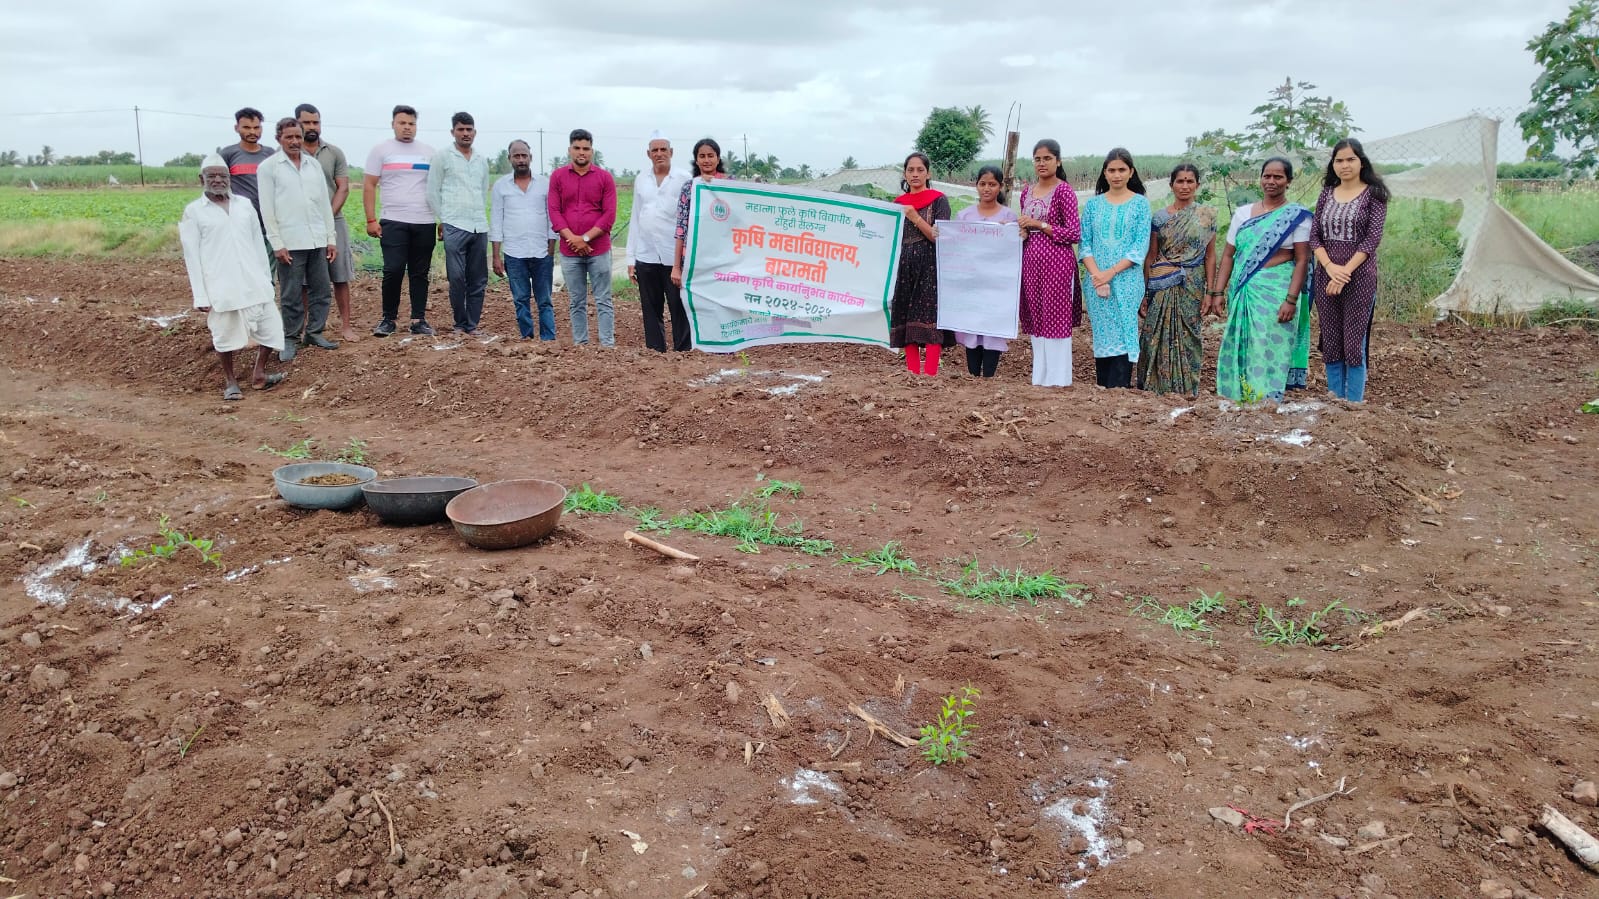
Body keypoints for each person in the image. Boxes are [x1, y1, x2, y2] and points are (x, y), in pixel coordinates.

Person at [179, 155, 287, 400]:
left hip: (253, 280)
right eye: (212, 176)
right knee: (224, 335)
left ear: (230, 179)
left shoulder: (244, 205)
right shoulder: (194, 212)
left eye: (223, 176)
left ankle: (259, 374)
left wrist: (266, 278)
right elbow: (191, 256)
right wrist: (200, 295)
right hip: (221, 285)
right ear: (202, 179)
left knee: (271, 329)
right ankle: (231, 382)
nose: (218, 180)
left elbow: (258, 244)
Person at [1209, 158, 1312, 402]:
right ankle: (1239, 398)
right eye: (1267, 176)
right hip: (1244, 290)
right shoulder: (1243, 214)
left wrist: (1291, 300)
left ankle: (1267, 402)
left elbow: (1302, 260)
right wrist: (1218, 292)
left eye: (1278, 177)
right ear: (1260, 178)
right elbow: (1228, 255)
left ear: (1288, 181)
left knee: (1269, 347)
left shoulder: (1297, 217)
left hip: (1278, 292)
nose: (1271, 181)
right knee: (1243, 344)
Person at [1311, 137, 1389, 402]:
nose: (1345, 165)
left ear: (1361, 162)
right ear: (1333, 164)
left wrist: (1344, 273)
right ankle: (1335, 401)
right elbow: (1314, 237)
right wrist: (1330, 267)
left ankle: (1353, 406)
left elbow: (1371, 239)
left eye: (1350, 159)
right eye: (1339, 160)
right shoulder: (1326, 193)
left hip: (1359, 278)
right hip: (1326, 277)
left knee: (1354, 343)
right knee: (1331, 340)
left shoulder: (1374, 195)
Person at [257, 118, 337, 362]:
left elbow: (324, 206)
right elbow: (267, 209)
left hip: (317, 239)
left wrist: (330, 238)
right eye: (289, 137)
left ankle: (314, 332)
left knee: (321, 290)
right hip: (290, 242)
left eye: (298, 137)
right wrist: (277, 243)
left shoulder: (313, 165)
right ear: (278, 139)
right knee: (291, 294)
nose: (294, 141)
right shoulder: (269, 167)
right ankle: (290, 338)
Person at [1138, 164, 1216, 395]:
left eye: (1190, 181)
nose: (1185, 186)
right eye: (1180, 181)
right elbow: (1151, 256)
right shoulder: (1160, 217)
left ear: (1197, 185)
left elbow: (1210, 256)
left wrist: (1210, 292)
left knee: (1189, 333)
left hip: (1192, 282)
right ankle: (1154, 386)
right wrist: (1145, 292)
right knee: (1154, 333)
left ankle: (1187, 388)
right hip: (1161, 282)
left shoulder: (1206, 216)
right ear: (1171, 185)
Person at [363, 105, 437, 337]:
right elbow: (369, 185)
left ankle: (418, 320)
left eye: (411, 124)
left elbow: (438, 187)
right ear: (393, 124)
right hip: (393, 220)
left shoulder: (429, 152)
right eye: (402, 123)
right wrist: (371, 219)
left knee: (419, 272)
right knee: (393, 270)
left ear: (416, 125)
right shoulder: (381, 150)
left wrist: (442, 218)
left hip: (424, 220)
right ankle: (388, 319)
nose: (407, 127)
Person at [1080, 148, 1152, 388]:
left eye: (1122, 170)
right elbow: (1085, 245)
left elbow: (1139, 248)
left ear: (1131, 172)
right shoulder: (1093, 205)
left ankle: (1120, 390)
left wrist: (1109, 273)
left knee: (1124, 331)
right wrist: (1097, 276)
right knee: (1102, 334)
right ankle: (1104, 392)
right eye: (1112, 170)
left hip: (1127, 281)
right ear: (1105, 173)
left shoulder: (1141, 204)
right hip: (1096, 282)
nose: (1117, 175)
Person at [1017, 139, 1083, 387]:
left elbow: (1074, 233)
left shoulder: (1064, 191)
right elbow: (1026, 227)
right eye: (1037, 159)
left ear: (1058, 161)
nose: (1042, 163)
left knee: (1055, 317)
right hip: (1031, 263)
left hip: (1057, 264)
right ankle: (1040, 378)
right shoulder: (1027, 192)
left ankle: (1058, 380)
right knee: (1036, 317)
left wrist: (1040, 225)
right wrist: (1022, 231)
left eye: (1047, 158)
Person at [547, 129, 618, 346]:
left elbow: (609, 215)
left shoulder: (604, 178)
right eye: (577, 148)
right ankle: (581, 346)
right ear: (569, 150)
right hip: (570, 252)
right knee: (576, 301)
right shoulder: (558, 177)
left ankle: (607, 346)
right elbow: (554, 211)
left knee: (603, 299)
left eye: (586, 148)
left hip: (599, 250)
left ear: (591, 151)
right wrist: (573, 239)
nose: (581, 152)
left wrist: (584, 239)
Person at [295, 103, 358, 342]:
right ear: (297, 123)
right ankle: (303, 328)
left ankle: (346, 326)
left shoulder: (334, 153)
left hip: (334, 220)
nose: (312, 127)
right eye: (307, 122)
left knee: (339, 275)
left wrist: (327, 216)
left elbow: (343, 188)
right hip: (300, 224)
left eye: (316, 122)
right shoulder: (290, 153)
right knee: (303, 280)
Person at [427, 112, 492, 335]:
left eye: (469, 129)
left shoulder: (481, 159)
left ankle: (472, 325)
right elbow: (432, 191)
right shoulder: (443, 157)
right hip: (454, 224)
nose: (465, 133)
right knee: (456, 277)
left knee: (478, 279)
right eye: (461, 129)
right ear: (452, 132)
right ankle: (459, 323)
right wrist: (442, 219)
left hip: (479, 226)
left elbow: (482, 191)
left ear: (475, 132)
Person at [625, 133, 691, 351]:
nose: (659, 154)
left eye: (663, 149)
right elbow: (636, 217)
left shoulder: (684, 178)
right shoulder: (641, 179)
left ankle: (683, 351)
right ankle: (655, 353)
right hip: (646, 253)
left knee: (678, 306)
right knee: (650, 308)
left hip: (674, 256)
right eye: (655, 150)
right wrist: (631, 257)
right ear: (648, 154)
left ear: (671, 152)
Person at [954, 165, 1020, 378]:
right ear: (976, 186)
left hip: (996, 285)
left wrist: (1014, 232)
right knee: (972, 326)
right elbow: (954, 245)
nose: (987, 188)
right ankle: (973, 375)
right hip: (971, 283)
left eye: (992, 184)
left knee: (993, 327)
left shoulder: (1009, 216)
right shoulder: (964, 215)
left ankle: (989, 376)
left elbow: (1014, 247)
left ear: (1000, 187)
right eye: (982, 184)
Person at [890, 152, 952, 376]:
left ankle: (931, 374)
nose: (915, 174)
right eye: (910, 170)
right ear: (905, 174)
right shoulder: (897, 204)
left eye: (920, 170)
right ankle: (912, 373)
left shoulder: (939, 200)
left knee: (929, 317)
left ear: (928, 173)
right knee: (906, 317)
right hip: (903, 266)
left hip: (930, 267)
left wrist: (915, 217)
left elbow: (939, 237)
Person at [490, 140, 559, 341]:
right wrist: (496, 256)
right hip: (514, 253)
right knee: (520, 299)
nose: (521, 160)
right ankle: (527, 338)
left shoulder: (545, 184)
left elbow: (552, 217)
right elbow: (496, 220)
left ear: (531, 157)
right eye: (516, 156)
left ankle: (548, 339)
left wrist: (551, 249)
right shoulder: (501, 186)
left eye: (524, 156)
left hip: (541, 251)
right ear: (509, 158)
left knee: (544, 300)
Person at [670, 137, 729, 290]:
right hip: (693, 257)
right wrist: (676, 266)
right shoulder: (689, 187)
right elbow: (681, 227)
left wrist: (714, 184)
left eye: (710, 156)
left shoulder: (730, 185)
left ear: (718, 159)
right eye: (702, 156)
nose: (706, 160)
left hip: (723, 258)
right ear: (696, 160)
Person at [216, 107, 275, 243]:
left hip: (268, 220)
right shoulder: (227, 154)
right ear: (236, 128)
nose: (252, 132)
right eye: (247, 127)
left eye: (256, 127)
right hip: (240, 220)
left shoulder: (270, 154)